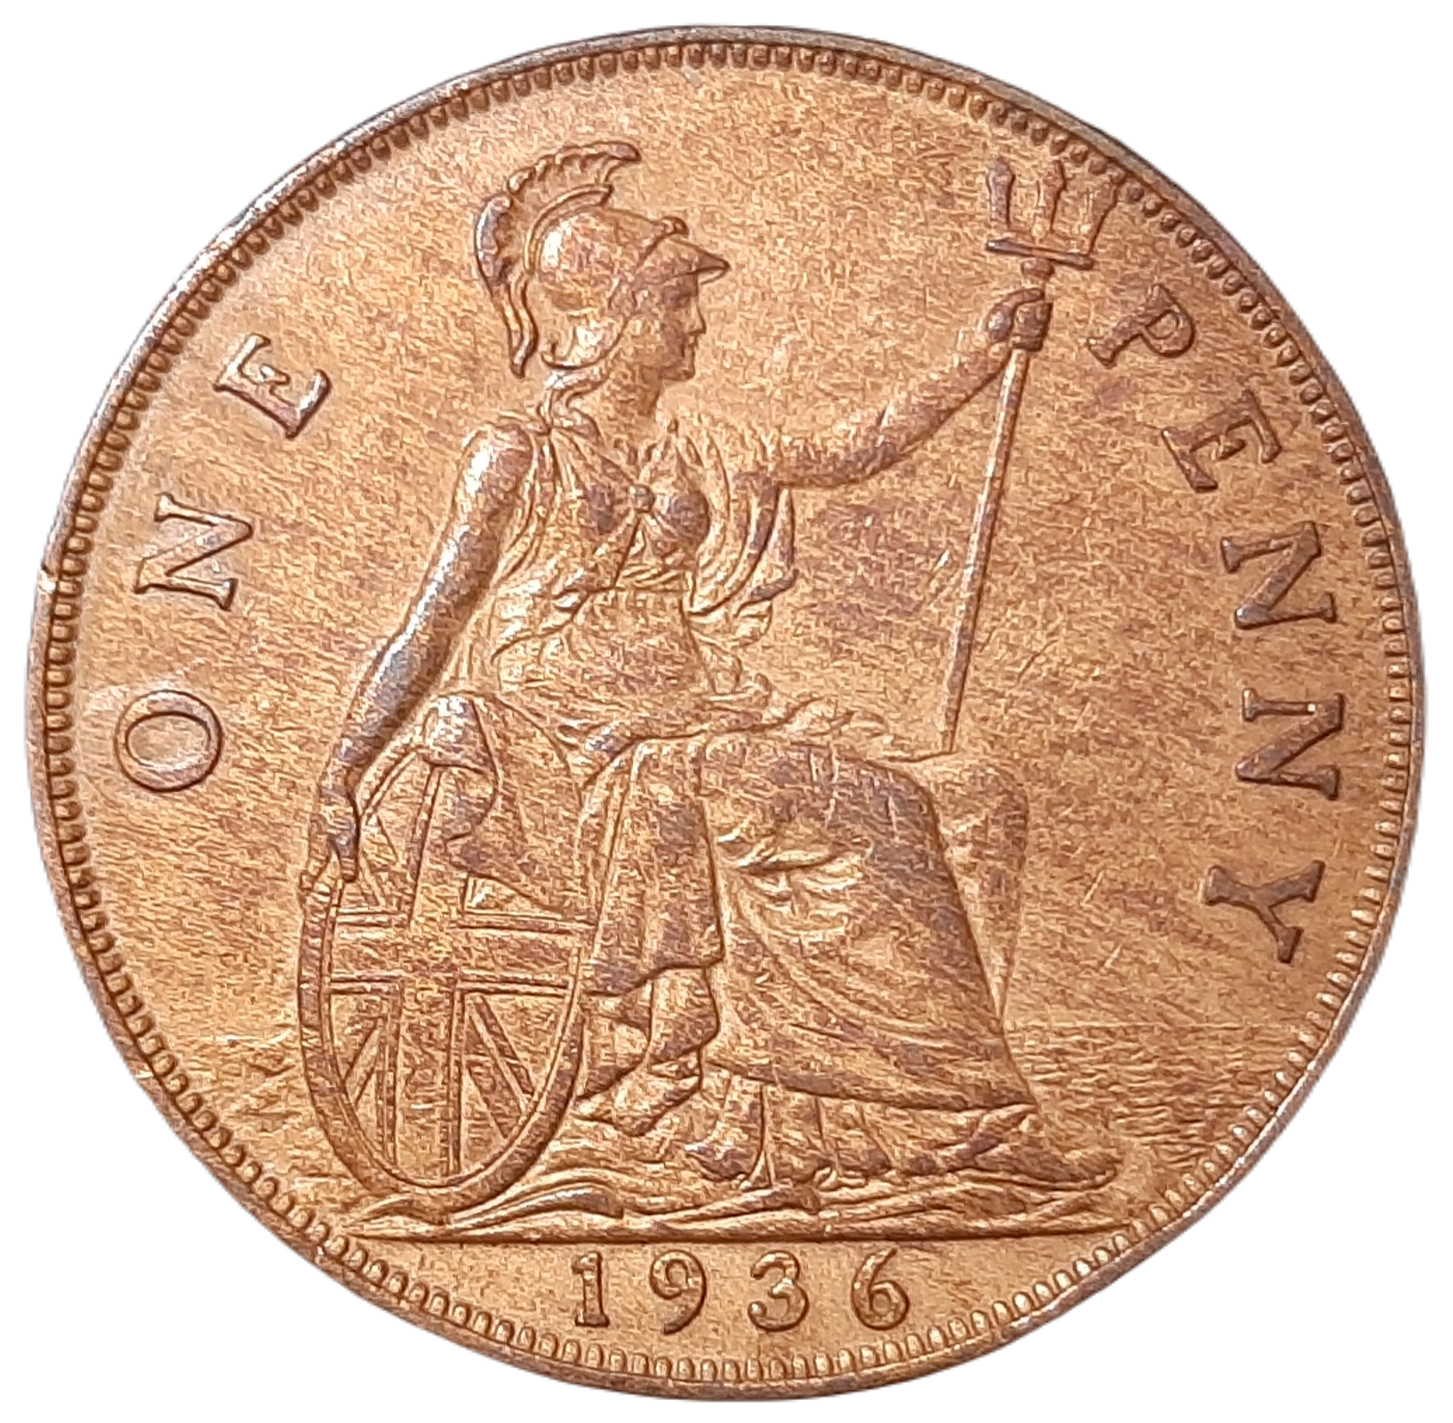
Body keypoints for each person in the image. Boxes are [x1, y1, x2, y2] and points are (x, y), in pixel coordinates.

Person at [301, 142, 1114, 1200]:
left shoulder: (699, 448)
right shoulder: (518, 454)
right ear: (612, 314)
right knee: (866, 804)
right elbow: (433, 617)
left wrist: (983, 352)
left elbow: (855, 447)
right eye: (677, 301)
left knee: (972, 795)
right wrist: (345, 767)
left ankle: (917, 1112)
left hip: (704, 706)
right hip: (580, 743)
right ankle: (958, 1115)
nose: (695, 324)